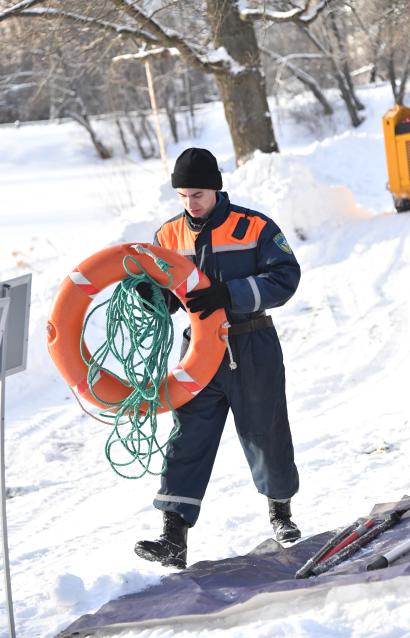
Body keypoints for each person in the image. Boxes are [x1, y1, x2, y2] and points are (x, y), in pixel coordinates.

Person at [134, 148, 301, 569]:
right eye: (184, 195)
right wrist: (153, 296)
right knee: (187, 437)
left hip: (251, 344)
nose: (192, 203)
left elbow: (285, 278)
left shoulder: (254, 227)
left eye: (199, 194)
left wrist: (230, 294)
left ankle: (280, 514)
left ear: (216, 189)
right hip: (198, 351)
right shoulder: (168, 236)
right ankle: (173, 536)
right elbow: (167, 297)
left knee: (265, 432)